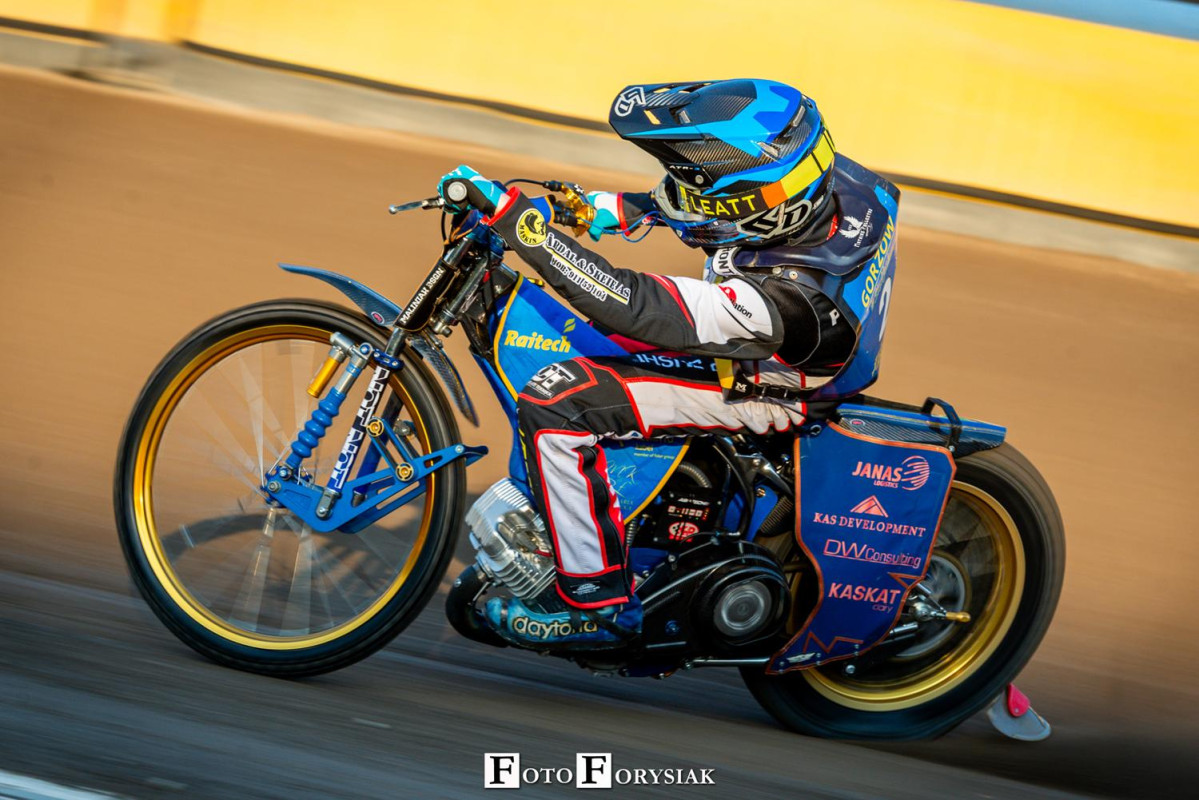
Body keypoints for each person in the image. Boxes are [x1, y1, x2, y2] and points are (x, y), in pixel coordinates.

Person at [437, 79, 897, 649]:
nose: (689, 201)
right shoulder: (824, 174)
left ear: (750, 209)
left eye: (704, 197)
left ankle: (595, 599)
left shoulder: (792, 299)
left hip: (766, 388)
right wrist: (577, 209)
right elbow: (685, 202)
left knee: (557, 402)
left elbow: (635, 307)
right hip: (769, 346)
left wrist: (525, 230)